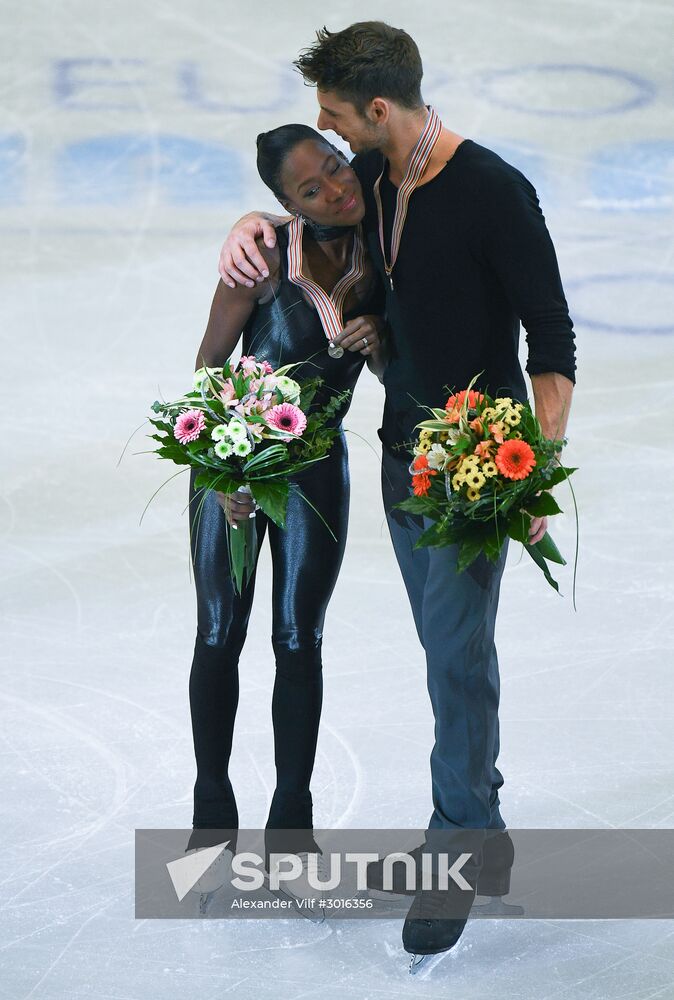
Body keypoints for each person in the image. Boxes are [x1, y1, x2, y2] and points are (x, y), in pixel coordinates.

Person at [217, 22, 577, 965]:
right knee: (445, 649)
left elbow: (554, 339)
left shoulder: (494, 192)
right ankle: (479, 818)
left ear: (378, 111)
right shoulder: (369, 180)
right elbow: (306, 218)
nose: (330, 140)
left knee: (456, 654)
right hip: (398, 457)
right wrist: (248, 227)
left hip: (475, 465)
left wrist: (533, 465)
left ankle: (459, 839)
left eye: (337, 119)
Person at [185, 123, 387, 911]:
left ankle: (292, 829)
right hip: (232, 467)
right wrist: (221, 471)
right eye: (311, 189)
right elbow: (206, 368)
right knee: (218, 632)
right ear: (283, 206)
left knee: (298, 639)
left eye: (336, 170)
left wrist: (381, 342)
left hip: (316, 469)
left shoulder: (386, 252)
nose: (335, 190)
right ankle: (211, 822)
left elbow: (406, 360)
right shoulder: (264, 255)